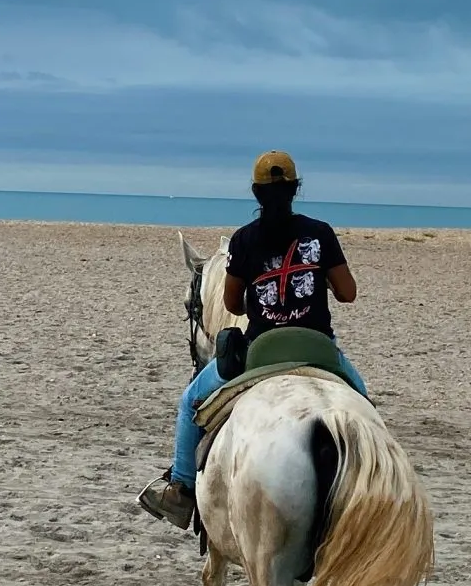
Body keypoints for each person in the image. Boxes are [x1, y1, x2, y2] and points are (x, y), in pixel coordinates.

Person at [139, 151, 368, 529]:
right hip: (317, 347)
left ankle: (180, 489)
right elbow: (348, 293)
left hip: (261, 351)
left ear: (255, 193)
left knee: (191, 401)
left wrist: (263, 292)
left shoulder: (245, 240)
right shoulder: (321, 233)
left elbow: (232, 303)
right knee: (362, 401)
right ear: (295, 190)